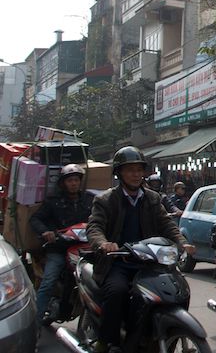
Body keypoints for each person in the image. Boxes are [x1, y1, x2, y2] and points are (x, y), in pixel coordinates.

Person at [86, 146, 195, 353]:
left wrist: (182, 242)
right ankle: (107, 341)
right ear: (119, 173)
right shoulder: (106, 199)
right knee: (117, 292)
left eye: (139, 170)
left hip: (149, 262)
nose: (136, 174)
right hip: (117, 262)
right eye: (130, 170)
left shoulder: (153, 198)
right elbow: (95, 227)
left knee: (174, 290)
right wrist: (103, 243)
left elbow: (167, 224)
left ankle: (154, 334)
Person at [29, 164, 93, 323]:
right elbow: (35, 219)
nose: (74, 183)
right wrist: (46, 232)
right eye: (70, 180)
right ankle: (34, 326)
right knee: (48, 282)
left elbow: (99, 219)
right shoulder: (53, 202)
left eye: (76, 180)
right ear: (63, 183)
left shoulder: (89, 200)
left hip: (83, 249)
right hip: (58, 249)